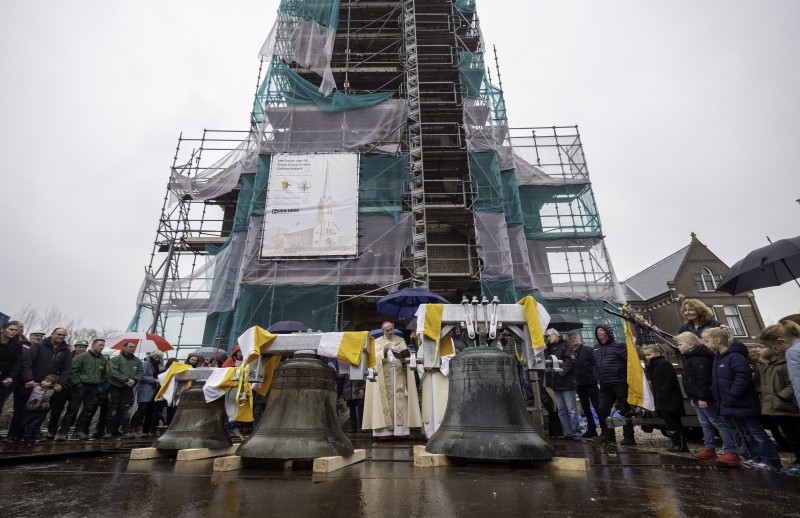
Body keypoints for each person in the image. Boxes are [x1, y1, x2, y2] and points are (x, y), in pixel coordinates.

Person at [707, 326, 781, 472]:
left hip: (742, 403)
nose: (706, 343)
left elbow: (743, 376)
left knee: (756, 431)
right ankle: (757, 457)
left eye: (708, 341)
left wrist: (733, 395)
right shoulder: (718, 358)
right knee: (746, 432)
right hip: (732, 403)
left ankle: (771, 460)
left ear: (717, 341)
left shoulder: (736, 357)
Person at [675, 331, 739, 465]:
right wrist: (693, 396)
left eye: (680, 344)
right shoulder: (690, 357)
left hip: (704, 398)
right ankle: (709, 448)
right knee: (705, 422)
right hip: (697, 397)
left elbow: (703, 379)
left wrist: (703, 397)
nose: (678, 347)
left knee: (717, 422)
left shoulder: (698, 358)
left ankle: (730, 450)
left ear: (691, 345)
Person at [362, 321, 421, 439]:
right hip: (384, 377)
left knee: (401, 402)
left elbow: (407, 359)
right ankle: (385, 433)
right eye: (387, 330)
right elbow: (373, 361)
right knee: (384, 403)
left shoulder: (400, 340)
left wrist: (404, 359)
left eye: (391, 329)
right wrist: (383, 353)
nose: (389, 332)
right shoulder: (377, 343)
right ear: (383, 331)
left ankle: (401, 431)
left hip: (399, 375)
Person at [755, 323, 800, 476]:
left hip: (788, 405)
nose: (775, 352)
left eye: (771, 347)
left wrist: (782, 396)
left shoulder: (790, 356)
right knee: (791, 437)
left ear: (780, 342)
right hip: (777, 407)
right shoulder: (763, 365)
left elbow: (794, 382)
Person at [13, 328, 72, 442]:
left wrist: (60, 383)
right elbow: (27, 362)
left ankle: (35, 433)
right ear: (53, 334)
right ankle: (17, 434)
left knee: (42, 410)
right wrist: (29, 379)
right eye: (59, 334)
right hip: (33, 382)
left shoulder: (65, 351)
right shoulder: (39, 346)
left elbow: (66, 369)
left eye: (64, 335)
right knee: (24, 410)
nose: (61, 337)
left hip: (49, 386)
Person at [592, 324, 635, 445]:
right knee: (602, 409)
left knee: (624, 410)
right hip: (605, 385)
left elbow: (629, 362)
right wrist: (596, 375)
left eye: (601, 330)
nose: (599, 332)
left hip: (619, 383)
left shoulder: (619, 346)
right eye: (597, 331)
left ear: (608, 332)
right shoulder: (595, 348)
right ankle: (608, 435)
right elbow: (594, 365)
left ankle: (629, 437)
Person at [57, 338, 107, 440]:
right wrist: (77, 383)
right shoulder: (82, 357)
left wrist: (99, 383)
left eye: (103, 345)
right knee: (72, 409)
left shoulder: (102, 360)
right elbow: (72, 370)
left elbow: (103, 374)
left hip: (94, 387)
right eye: (100, 345)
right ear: (93, 345)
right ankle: (63, 431)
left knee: (88, 410)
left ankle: (79, 431)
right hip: (81, 386)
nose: (101, 347)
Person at [642, 344, 688, 452]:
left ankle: (680, 443)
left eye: (649, 354)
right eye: (646, 355)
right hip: (662, 398)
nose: (648, 357)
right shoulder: (653, 366)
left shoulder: (664, 364)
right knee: (669, 422)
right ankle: (677, 443)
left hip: (669, 399)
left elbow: (670, 381)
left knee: (674, 423)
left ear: (657, 353)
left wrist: (663, 393)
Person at [544, 328, 580, 440]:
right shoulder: (549, 347)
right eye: (547, 336)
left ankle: (576, 433)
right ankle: (568, 432)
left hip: (566, 382)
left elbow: (570, 361)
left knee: (571, 410)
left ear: (555, 335)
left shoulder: (566, 345)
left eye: (549, 336)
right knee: (561, 410)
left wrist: (561, 372)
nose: (548, 338)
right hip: (555, 383)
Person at [105, 341, 143, 439]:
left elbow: (140, 372)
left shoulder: (137, 361)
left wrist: (134, 380)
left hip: (129, 389)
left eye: (134, 347)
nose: (132, 348)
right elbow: (113, 372)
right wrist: (125, 380)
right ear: (124, 347)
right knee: (113, 409)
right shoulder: (116, 359)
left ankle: (126, 431)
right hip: (116, 387)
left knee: (127, 410)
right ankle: (110, 431)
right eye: (130, 346)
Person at [570, 331, 600, 439]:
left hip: (590, 383)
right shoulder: (571, 353)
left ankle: (606, 430)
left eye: (575, 338)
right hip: (579, 384)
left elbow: (596, 363)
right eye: (571, 339)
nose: (573, 340)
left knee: (598, 406)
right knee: (585, 408)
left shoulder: (587, 350)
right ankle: (592, 430)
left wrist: (594, 376)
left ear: (579, 338)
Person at [130, 351, 163, 438]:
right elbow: (141, 375)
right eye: (158, 357)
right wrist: (154, 380)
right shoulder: (146, 363)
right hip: (145, 389)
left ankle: (140, 428)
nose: (159, 360)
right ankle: (132, 427)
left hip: (152, 390)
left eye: (160, 358)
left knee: (146, 410)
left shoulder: (155, 365)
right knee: (142, 409)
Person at [21, 374, 59, 442]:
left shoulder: (51, 391)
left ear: (52, 384)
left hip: (41, 410)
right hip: (30, 408)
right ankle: (23, 435)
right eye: (44, 380)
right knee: (26, 422)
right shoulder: (36, 386)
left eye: (47, 381)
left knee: (35, 423)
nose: (44, 382)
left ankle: (29, 436)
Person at [774, 316, 800, 412]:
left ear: (781, 341)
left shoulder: (792, 352)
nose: (775, 350)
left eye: (775, 346)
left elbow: (798, 382)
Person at [0, 321, 24, 421]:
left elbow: (17, 363)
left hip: (4, 379)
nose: (14, 332)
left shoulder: (17, 345)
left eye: (16, 330)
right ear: (2, 329)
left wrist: (11, 377)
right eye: (11, 329)